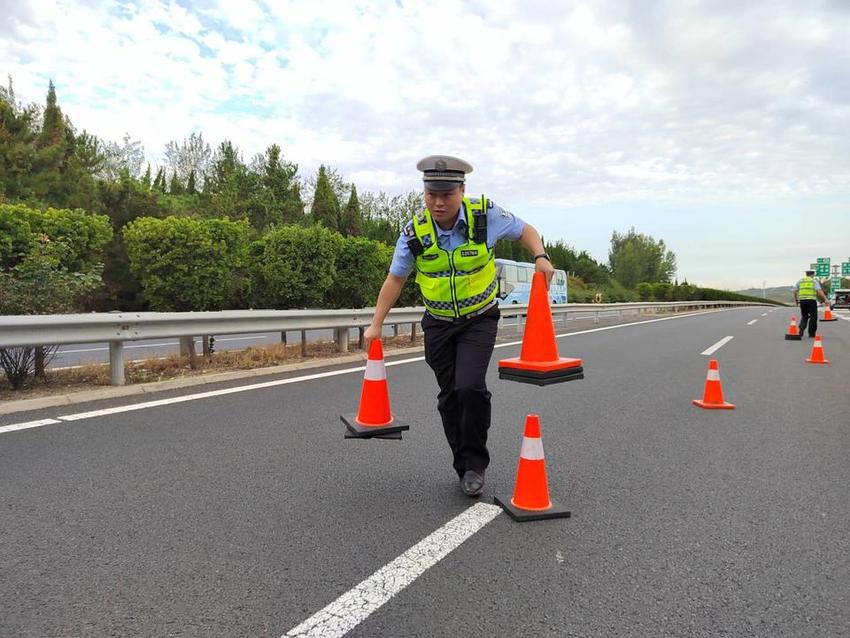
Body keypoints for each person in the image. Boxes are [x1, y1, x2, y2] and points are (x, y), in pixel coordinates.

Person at [363, 155, 554, 497]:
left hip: (478, 319)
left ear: (461, 190)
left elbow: (526, 231)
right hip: (437, 325)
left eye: (447, 194)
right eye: (431, 194)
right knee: (450, 397)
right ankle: (462, 464)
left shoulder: (485, 215)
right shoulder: (414, 233)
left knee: (470, 387)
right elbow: (395, 279)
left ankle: (475, 464)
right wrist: (376, 324)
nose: (438, 202)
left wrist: (540, 256)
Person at [793, 268, 828, 337]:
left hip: (802, 301)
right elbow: (819, 291)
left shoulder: (800, 281)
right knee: (813, 317)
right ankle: (811, 334)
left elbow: (794, 291)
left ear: (806, 274)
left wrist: (796, 300)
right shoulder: (813, 281)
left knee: (804, 316)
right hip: (811, 301)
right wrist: (825, 299)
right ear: (813, 274)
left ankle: (801, 330)